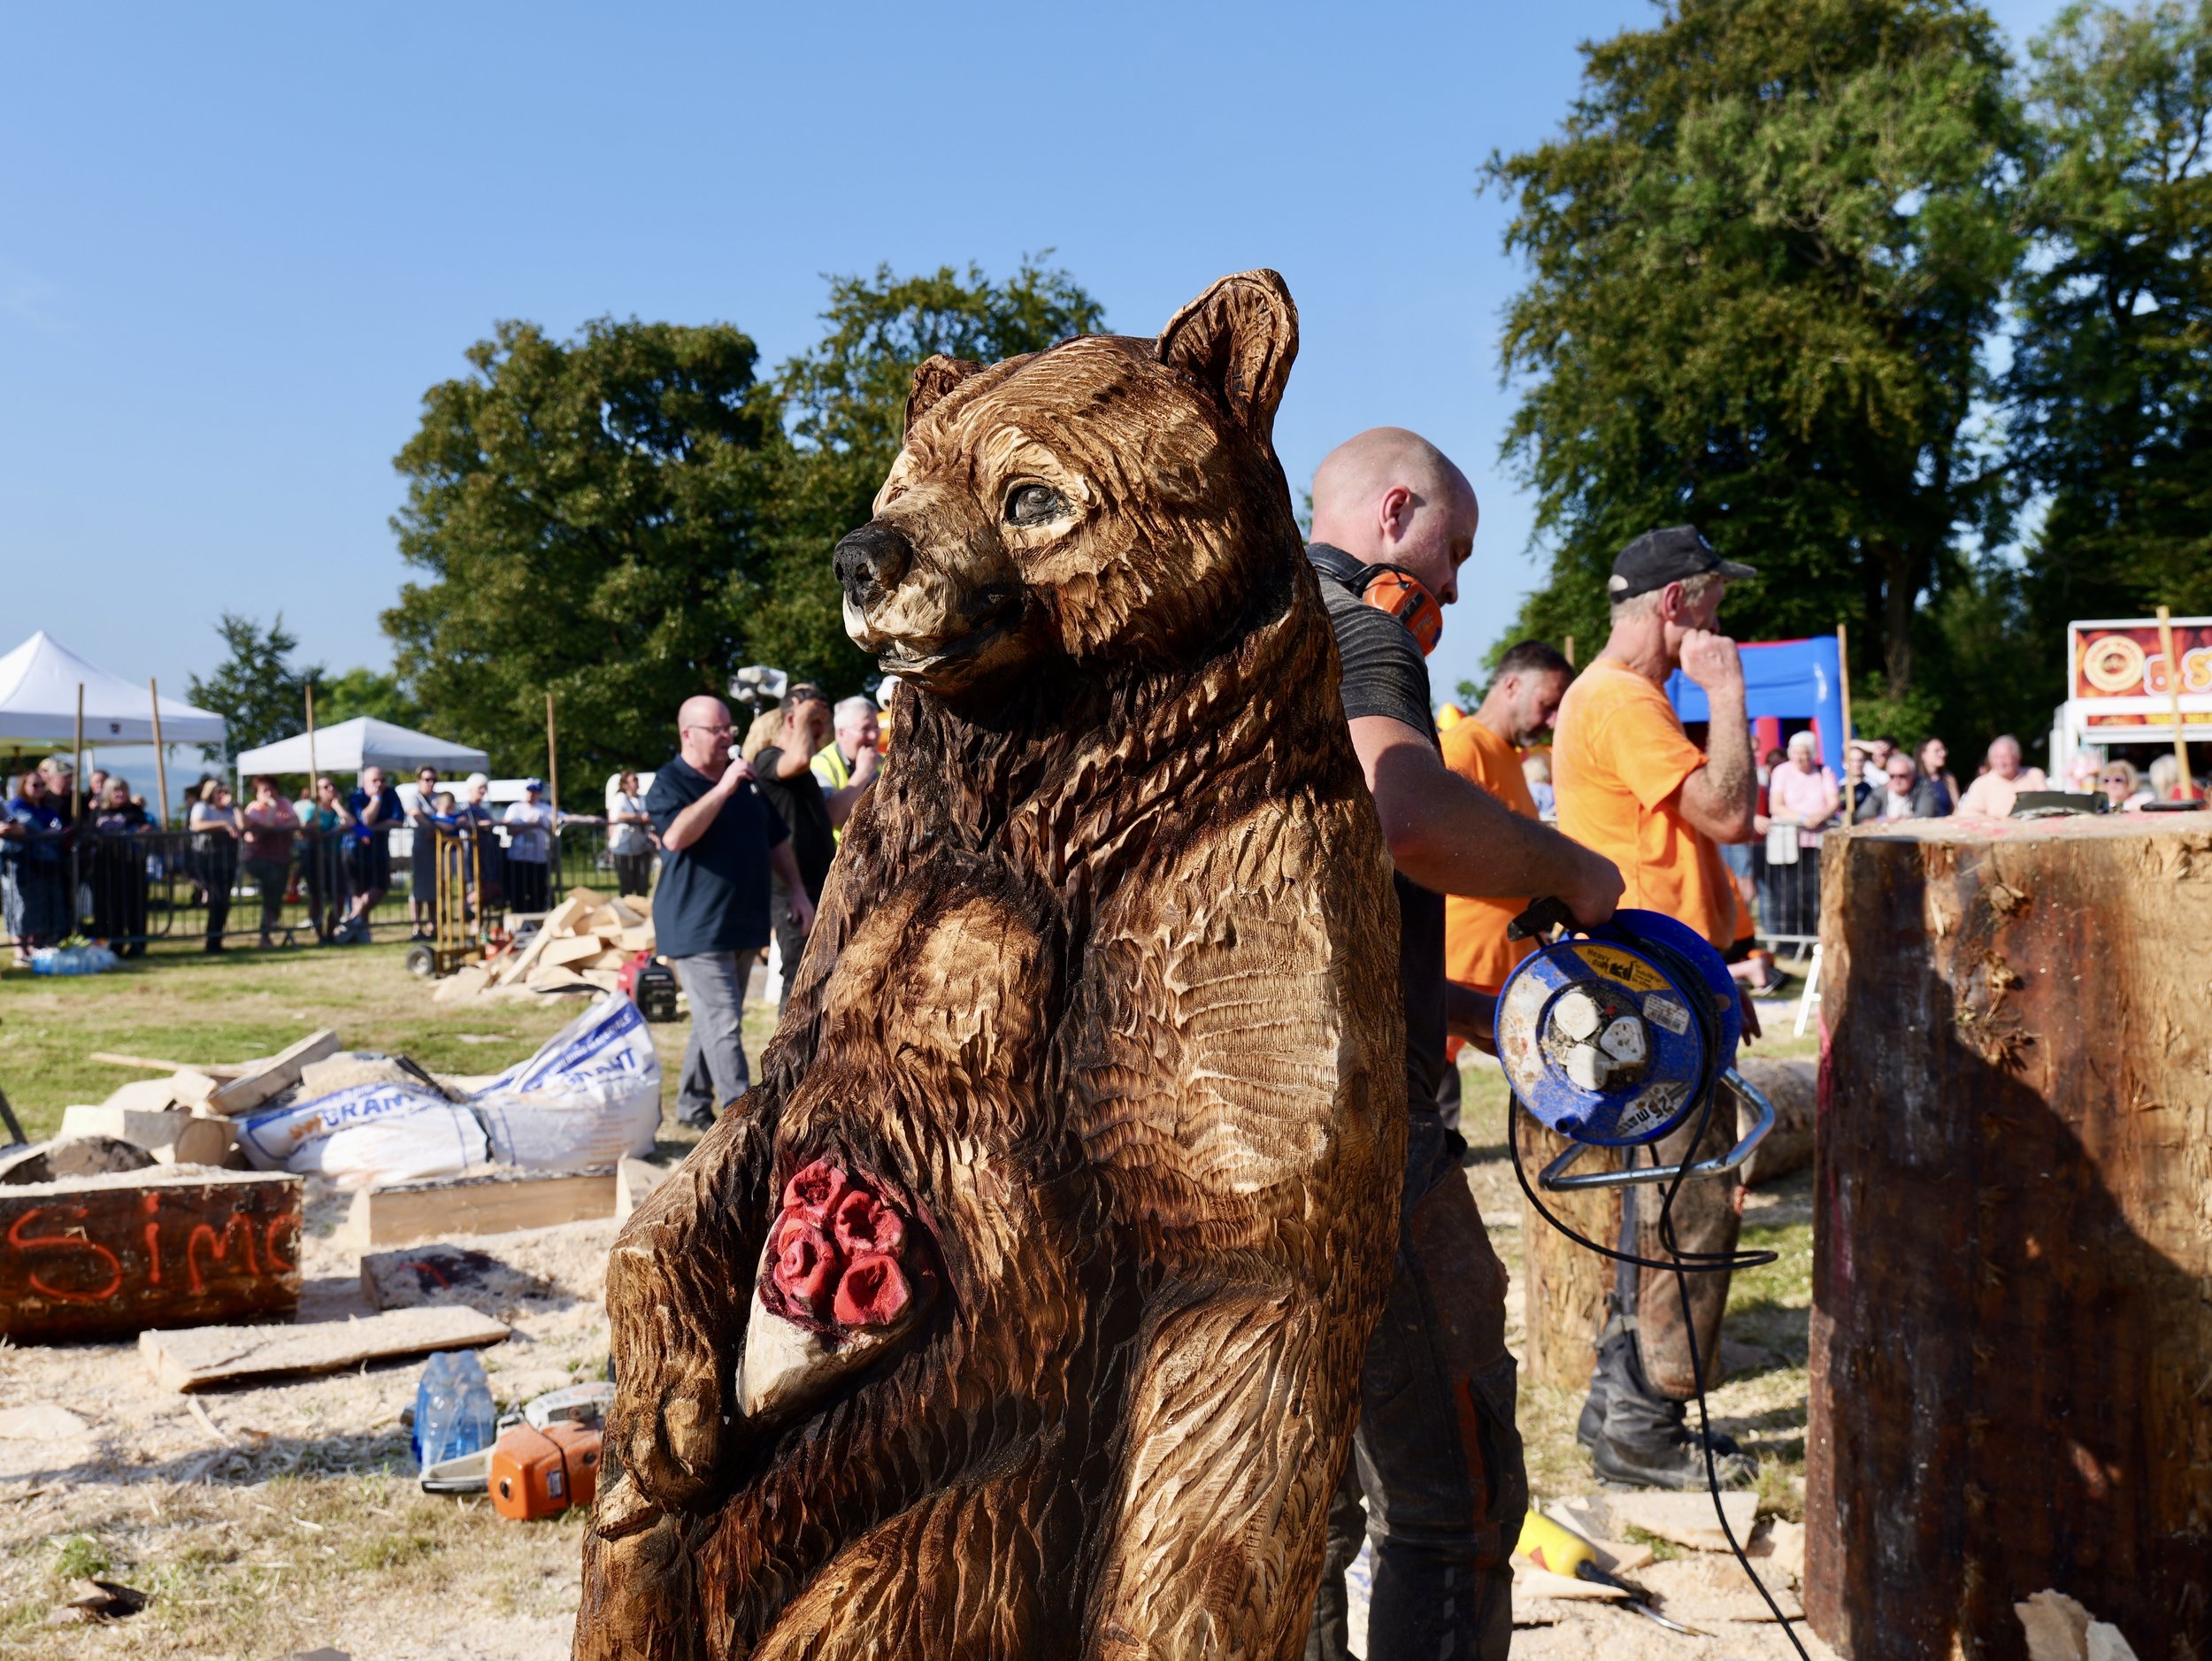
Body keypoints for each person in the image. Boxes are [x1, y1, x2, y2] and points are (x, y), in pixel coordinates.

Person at [1302, 428, 1623, 1661]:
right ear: (1395, 514)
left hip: (1218, 1142)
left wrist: (1463, 1009)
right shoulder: (1358, 630)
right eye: (1456, 550)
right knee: (1460, 1505)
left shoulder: (1218, 639)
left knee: (1296, 1511)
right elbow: (1401, 813)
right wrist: (1573, 872)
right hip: (1366, 1151)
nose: (1456, 587)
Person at [1551, 522, 1763, 1493]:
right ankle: (1646, 1418)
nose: (1720, 623)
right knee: (1687, 1201)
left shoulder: (1609, 694)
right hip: (1650, 994)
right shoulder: (1627, 699)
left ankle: (1618, 1407)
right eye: (1714, 603)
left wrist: (1721, 971)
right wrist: (1727, 693)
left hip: (1662, 986)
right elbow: (1726, 812)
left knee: (1658, 1197)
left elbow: (1678, 851)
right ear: (1677, 603)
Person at [649, 695, 814, 1131]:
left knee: (716, 1021)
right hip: (695, 927)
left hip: (742, 923)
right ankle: (743, 1125)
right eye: (717, 730)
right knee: (723, 1025)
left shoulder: (747, 784)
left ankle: (691, 1106)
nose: (727, 738)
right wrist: (722, 788)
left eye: (730, 729)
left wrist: (797, 892)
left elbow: (777, 840)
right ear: (689, 735)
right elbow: (676, 837)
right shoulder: (670, 782)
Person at [1440, 640, 1572, 1017]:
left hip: (1505, 960)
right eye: (1547, 705)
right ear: (1511, 686)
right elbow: (1444, 852)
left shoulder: (1506, 754)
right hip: (1464, 962)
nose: (1551, 721)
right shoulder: (1463, 747)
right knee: (1434, 1075)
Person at [752, 686, 838, 1011]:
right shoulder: (768, 759)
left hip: (818, 886)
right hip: (790, 891)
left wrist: (861, 776)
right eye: (813, 722)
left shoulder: (805, 775)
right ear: (790, 718)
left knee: (820, 977)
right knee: (798, 978)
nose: (819, 731)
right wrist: (803, 711)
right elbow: (799, 757)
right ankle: (787, 1061)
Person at [1756, 730, 1840, 939]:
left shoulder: (1823, 772)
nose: (1799, 758)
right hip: (1788, 843)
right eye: (1795, 753)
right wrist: (1804, 818)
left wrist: (1821, 815)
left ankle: (1815, 936)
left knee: (1814, 891)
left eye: (1803, 753)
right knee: (1788, 893)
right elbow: (1776, 806)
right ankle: (1789, 941)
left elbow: (1833, 802)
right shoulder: (1782, 772)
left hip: (1817, 841)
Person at [4, 766, 72, 964]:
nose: (40, 788)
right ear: (24, 786)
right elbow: (13, 828)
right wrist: (40, 834)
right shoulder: (14, 806)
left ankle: (34, 949)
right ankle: (20, 952)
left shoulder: (44, 808)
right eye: (35, 784)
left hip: (44, 865)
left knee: (40, 908)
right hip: (20, 866)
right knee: (21, 908)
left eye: (43, 784)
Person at [338, 766, 402, 942]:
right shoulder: (357, 797)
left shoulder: (391, 794)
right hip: (354, 852)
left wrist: (371, 828)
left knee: (380, 887)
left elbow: (398, 821)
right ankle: (359, 933)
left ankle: (350, 920)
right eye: (375, 781)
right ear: (364, 783)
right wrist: (376, 799)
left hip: (379, 851)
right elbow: (364, 821)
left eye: (382, 780)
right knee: (358, 892)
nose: (379, 784)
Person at [89, 776, 151, 955]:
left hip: (132, 866)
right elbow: (89, 833)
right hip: (106, 867)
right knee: (110, 908)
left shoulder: (135, 811)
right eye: (116, 790)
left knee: (135, 905)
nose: (120, 793)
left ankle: (137, 944)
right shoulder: (98, 812)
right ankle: (114, 944)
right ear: (108, 793)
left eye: (123, 789)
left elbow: (145, 828)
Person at [240, 775, 300, 950]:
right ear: (257, 794)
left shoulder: (285, 802)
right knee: (271, 886)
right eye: (264, 790)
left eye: (272, 789)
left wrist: (278, 825)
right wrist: (273, 810)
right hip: (257, 859)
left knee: (276, 893)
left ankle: (266, 933)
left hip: (281, 858)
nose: (270, 793)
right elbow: (268, 825)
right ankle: (266, 931)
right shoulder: (253, 809)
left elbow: (296, 821)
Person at [811, 696, 882, 834]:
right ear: (841, 733)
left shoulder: (884, 761)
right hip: (839, 853)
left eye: (876, 727)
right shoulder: (820, 764)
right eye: (865, 729)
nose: (874, 736)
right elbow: (829, 817)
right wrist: (863, 773)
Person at [295, 776, 352, 942]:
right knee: (317, 897)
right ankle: (320, 934)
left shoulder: (338, 810)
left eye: (333, 785)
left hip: (334, 858)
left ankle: (331, 931)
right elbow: (305, 832)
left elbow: (354, 825)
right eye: (326, 787)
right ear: (318, 792)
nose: (331, 789)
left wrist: (337, 806)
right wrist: (331, 832)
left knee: (340, 896)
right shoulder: (312, 810)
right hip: (315, 858)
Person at [189, 779, 243, 951]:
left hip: (227, 859)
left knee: (223, 901)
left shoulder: (230, 809)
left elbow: (243, 826)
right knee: (217, 899)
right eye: (219, 792)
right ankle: (212, 941)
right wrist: (224, 824)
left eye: (225, 792)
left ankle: (215, 941)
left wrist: (235, 807)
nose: (223, 795)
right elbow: (197, 825)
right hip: (207, 860)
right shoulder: (202, 807)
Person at [1955, 734, 2047, 819]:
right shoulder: (1981, 784)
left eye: (2005, 757)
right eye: (1996, 757)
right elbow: (1968, 813)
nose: (2001, 762)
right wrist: (1995, 820)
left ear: (2017, 757)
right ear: (1990, 760)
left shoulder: (2034, 775)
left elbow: (2048, 804)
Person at [502, 779, 557, 915]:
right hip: (518, 857)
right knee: (518, 891)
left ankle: (536, 919)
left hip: (538, 858)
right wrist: (530, 825)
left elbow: (564, 817)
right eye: (529, 790)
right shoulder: (515, 808)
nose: (531, 794)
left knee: (537, 892)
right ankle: (519, 919)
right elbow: (509, 830)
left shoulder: (545, 809)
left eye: (535, 791)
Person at [456, 773, 503, 916]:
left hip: (487, 857)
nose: (483, 791)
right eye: (480, 787)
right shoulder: (466, 808)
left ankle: (480, 929)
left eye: (485, 788)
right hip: (473, 856)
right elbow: (470, 825)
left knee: (489, 891)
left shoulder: (482, 809)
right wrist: (492, 823)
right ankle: (472, 921)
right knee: (475, 891)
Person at [1856, 749, 1943, 821]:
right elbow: (1861, 817)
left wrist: (1899, 820)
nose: (1896, 780)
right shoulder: (1880, 792)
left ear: (1913, 775)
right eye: (1892, 776)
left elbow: (1926, 815)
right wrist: (1882, 819)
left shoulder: (1923, 788)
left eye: (1902, 776)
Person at [406, 766, 442, 941]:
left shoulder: (437, 798)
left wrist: (435, 829)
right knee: (418, 889)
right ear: (418, 780)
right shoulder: (414, 798)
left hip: (436, 848)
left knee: (433, 889)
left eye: (433, 779)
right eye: (427, 779)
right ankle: (416, 927)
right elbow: (416, 815)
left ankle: (433, 925)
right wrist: (435, 827)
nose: (431, 783)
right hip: (421, 847)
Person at [607, 770, 656, 898]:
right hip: (623, 849)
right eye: (633, 780)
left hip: (642, 846)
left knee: (642, 885)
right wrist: (638, 817)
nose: (636, 782)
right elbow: (616, 815)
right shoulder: (620, 799)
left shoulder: (643, 799)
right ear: (625, 785)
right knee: (627, 885)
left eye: (637, 779)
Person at [1918, 736, 1960, 813]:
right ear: (1924, 755)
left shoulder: (1948, 779)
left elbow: (1956, 809)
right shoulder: (1915, 779)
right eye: (1937, 751)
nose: (1943, 754)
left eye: (1943, 750)